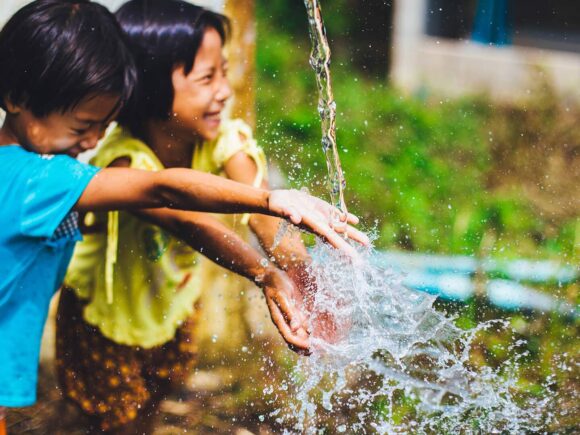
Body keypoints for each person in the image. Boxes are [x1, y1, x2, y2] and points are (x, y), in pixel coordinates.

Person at [0, 1, 366, 432]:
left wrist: (294, 269)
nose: (94, 140)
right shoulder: (47, 176)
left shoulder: (40, 168)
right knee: (114, 420)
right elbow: (168, 194)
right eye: (83, 126)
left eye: (102, 124)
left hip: (165, 309)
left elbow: (252, 207)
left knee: (147, 406)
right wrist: (267, 217)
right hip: (106, 317)